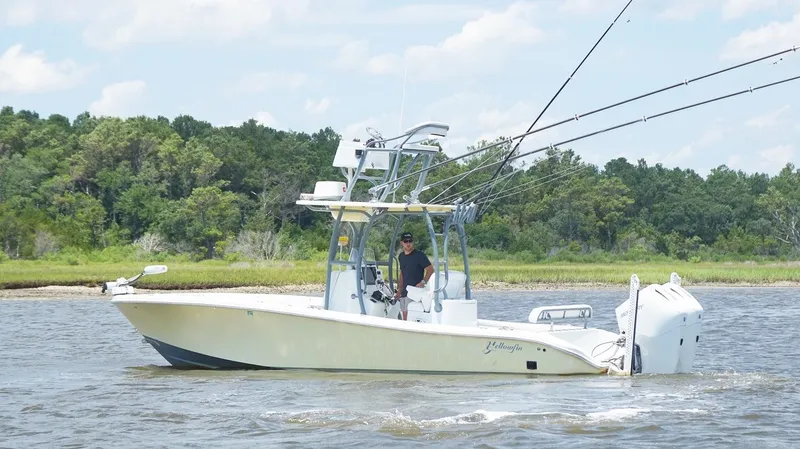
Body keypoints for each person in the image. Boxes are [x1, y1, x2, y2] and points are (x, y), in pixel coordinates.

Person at [394, 232, 434, 320]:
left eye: (410, 241)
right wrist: (399, 290)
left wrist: (423, 282)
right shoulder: (401, 256)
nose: (408, 243)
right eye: (405, 241)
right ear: (401, 243)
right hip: (405, 290)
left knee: (410, 315)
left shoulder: (419, 255)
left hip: (415, 291)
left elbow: (430, 269)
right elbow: (402, 273)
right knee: (404, 315)